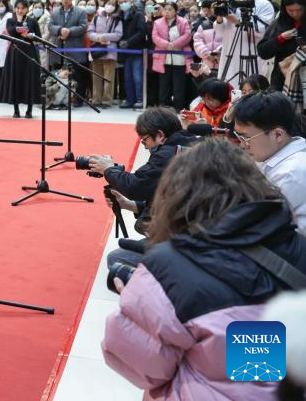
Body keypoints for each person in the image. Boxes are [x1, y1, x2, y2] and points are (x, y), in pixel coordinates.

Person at [102, 139, 306, 399]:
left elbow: (143, 368)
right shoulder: (299, 247)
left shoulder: (170, 266)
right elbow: (259, 361)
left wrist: (137, 305)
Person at [88, 108, 198, 254]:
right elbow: (164, 196)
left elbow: (136, 186)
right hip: (191, 227)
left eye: (145, 139)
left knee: (117, 257)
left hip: (185, 239)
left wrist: (108, 169)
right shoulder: (188, 144)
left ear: (160, 135)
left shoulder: (168, 154)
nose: (145, 146)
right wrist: (128, 205)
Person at [232, 92, 306, 233]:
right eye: (238, 137)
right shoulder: (273, 154)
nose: (242, 145)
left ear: (278, 134)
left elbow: (260, 225)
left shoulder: (290, 173)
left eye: (246, 138)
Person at [214, 0, 275, 86]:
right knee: (228, 88)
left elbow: (263, 31)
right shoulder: (230, 3)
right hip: (230, 52)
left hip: (251, 53)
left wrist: (237, 21)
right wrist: (220, 17)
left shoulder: (264, 5)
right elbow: (219, 31)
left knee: (252, 87)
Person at [258, 0, 306, 101]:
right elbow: (263, 52)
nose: (295, 14)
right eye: (290, 10)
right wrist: (280, 38)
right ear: (284, 9)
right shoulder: (279, 24)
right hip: (281, 78)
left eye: (299, 10)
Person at [0, 0, 40, 118]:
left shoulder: (32, 21)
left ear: (27, 9)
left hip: (29, 53)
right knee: (15, 79)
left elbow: (38, 36)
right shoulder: (10, 20)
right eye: (18, 8)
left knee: (29, 80)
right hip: (15, 53)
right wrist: (20, 23)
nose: (20, 11)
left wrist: (29, 35)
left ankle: (29, 110)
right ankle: (16, 110)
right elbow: (11, 32)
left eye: (23, 8)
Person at [152, 3, 193, 111]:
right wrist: (167, 44)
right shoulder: (157, 22)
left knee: (179, 86)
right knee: (164, 85)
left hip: (180, 59)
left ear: (175, 11)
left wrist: (174, 44)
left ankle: (178, 108)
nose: (167, 11)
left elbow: (187, 36)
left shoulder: (183, 22)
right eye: (165, 9)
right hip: (163, 59)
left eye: (170, 9)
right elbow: (155, 37)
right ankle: (163, 108)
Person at [87, 0, 123, 107]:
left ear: (116, 7)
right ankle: (96, 99)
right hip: (97, 50)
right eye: (108, 3)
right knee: (96, 76)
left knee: (109, 77)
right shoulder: (97, 17)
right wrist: (98, 38)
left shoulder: (118, 19)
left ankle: (107, 100)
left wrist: (104, 37)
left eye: (113, 4)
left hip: (110, 51)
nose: (109, 6)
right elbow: (90, 32)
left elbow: (118, 34)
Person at [117, 0, 147, 108]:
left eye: (125, 1)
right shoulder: (120, 16)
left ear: (130, 2)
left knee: (137, 77)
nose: (123, 4)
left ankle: (139, 100)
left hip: (136, 50)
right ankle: (130, 100)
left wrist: (128, 42)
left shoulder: (138, 14)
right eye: (121, 2)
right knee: (127, 78)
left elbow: (141, 32)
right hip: (125, 52)